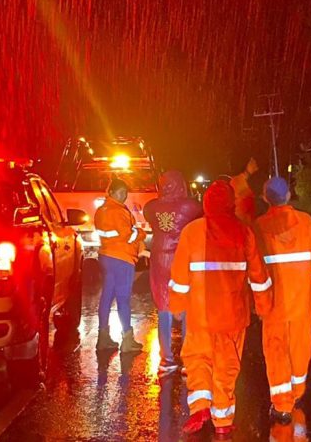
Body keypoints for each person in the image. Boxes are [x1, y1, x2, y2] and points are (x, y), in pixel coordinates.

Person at [170, 180, 273, 437]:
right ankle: (223, 422)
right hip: (233, 316)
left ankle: (201, 408)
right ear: (231, 204)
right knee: (227, 368)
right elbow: (259, 277)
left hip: (200, 315)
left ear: (206, 203)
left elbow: (180, 276)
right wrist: (263, 306)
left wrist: (175, 306)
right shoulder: (244, 232)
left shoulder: (192, 232)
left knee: (197, 360)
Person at [254, 177, 311, 424]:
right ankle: (297, 392)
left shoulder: (258, 226)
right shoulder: (306, 222)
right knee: (300, 346)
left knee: (276, 350)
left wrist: (252, 300)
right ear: (289, 195)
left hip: (273, 302)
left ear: (265, 198)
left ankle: (282, 405)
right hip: (302, 300)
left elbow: (253, 268)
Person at [144, 170, 202, 376]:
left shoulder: (151, 207)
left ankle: (166, 360)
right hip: (181, 258)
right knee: (186, 307)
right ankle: (188, 359)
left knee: (163, 307)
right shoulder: (189, 207)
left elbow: (151, 217)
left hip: (159, 259)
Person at [94, 178, 146, 352]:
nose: (124, 196)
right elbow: (128, 235)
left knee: (106, 297)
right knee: (123, 298)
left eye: (125, 193)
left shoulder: (101, 211)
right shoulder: (119, 211)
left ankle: (103, 338)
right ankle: (127, 340)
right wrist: (140, 233)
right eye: (121, 192)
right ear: (112, 193)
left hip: (106, 256)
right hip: (122, 258)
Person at [229, 157, 259, 224]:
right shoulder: (236, 181)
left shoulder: (258, 181)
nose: (254, 164)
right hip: (240, 222)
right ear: (246, 164)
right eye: (251, 162)